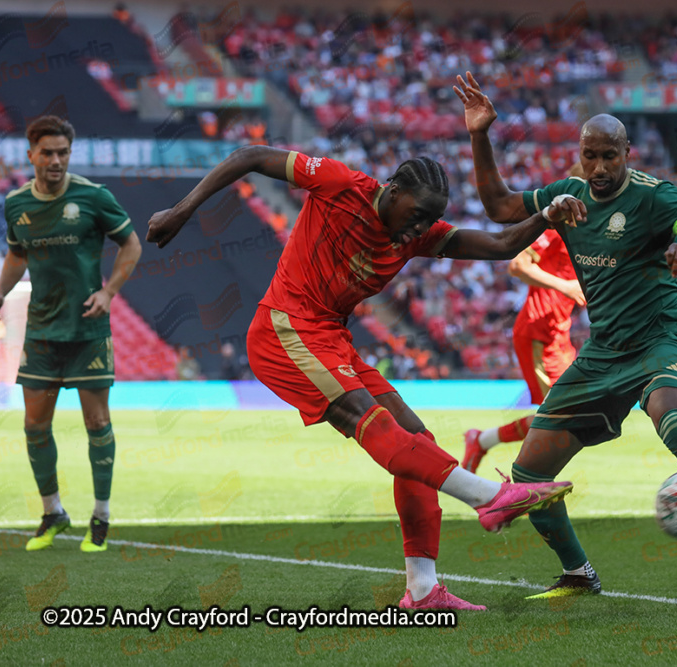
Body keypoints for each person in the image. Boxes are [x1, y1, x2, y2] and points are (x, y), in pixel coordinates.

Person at [146, 145, 582, 611]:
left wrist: (548, 215)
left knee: (418, 437)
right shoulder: (338, 184)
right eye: (415, 214)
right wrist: (182, 208)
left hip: (332, 340)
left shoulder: (414, 236)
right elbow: (251, 156)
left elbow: (499, 245)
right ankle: (489, 497)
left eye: (428, 220)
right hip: (285, 330)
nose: (418, 228)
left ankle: (422, 590)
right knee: (376, 425)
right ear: (392, 191)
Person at [454, 71, 677, 599]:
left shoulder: (656, 198)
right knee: (528, 475)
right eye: (590, 156)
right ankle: (579, 573)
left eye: (610, 156)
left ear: (628, 152)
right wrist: (479, 134)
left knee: (674, 419)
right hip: (603, 351)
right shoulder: (566, 197)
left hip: (659, 339)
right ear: (579, 154)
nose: (599, 168)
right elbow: (500, 209)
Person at [0, 116, 143, 553]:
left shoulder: (93, 197)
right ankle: (52, 512)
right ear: (30, 155)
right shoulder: (16, 204)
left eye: (63, 153)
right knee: (35, 425)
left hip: (88, 330)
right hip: (42, 333)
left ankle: (101, 516)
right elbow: (18, 254)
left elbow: (131, 244)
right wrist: (0, 293)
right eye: (48, 153)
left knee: (97, 422)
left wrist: (109, 292)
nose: (56, 161)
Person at [462, 229, 584, 473]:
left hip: (560, 334)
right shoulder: (557, 227)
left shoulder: (594, 229)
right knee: (556, 416)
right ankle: (530, 480)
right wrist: (566, 287)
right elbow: (517, 266)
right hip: (537, 334)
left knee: (575, 413)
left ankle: (482, 441)